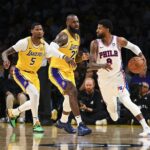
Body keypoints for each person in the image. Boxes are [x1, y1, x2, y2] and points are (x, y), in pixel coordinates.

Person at [2, 23, 74, 133]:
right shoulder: (24, 42)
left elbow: (54, 52)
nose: (40, 31)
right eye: (37, 29)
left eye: (41, 29)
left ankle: (14, 112)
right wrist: (6, 59)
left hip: (34, 75)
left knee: (35, 101)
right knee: (35, 95)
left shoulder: (44, 45)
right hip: (20, 72)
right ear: (32, 31)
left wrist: (65, 57)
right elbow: (5, 52)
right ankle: (36, 123)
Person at [88, 19, 150, 137]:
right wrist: (102, 65)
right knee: (113, 114)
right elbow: (91, 64)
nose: (97, 30)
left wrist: (142, 57)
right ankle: (113, 108)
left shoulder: (118, 40)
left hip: (118, 79)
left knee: (126, 101)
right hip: (104, 82)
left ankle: (146, 127)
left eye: (99, 28)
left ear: (107, 29)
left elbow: (134, 47)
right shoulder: (95, 43)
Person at [48, 14, 92, 136]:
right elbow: (50, 48)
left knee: (70, 97)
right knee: (72, 91)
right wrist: (64, 57)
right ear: (67, 23)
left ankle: (62, 121)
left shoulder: (77, 37)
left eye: (77, 22)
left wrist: (81, 58)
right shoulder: (63, 35)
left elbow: (74, 58)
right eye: (73, 22)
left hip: (69, 71)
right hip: (57, 70)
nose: (76, 24)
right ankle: (80, 125)